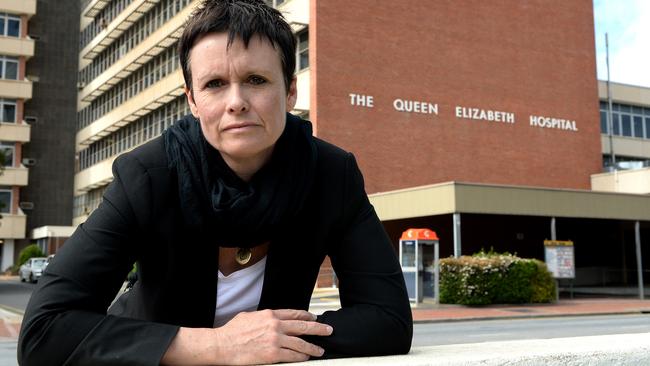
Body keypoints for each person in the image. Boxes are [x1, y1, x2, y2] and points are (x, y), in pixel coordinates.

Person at [17, 1, 412, 365]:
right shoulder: (146, 177)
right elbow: (43, 331)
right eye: (214, 84)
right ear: (192, 100)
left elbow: (388, 319)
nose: (236, 101)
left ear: (290, 90)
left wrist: (279, 339)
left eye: (256, 79)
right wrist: (219, 345)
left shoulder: (332, 174)